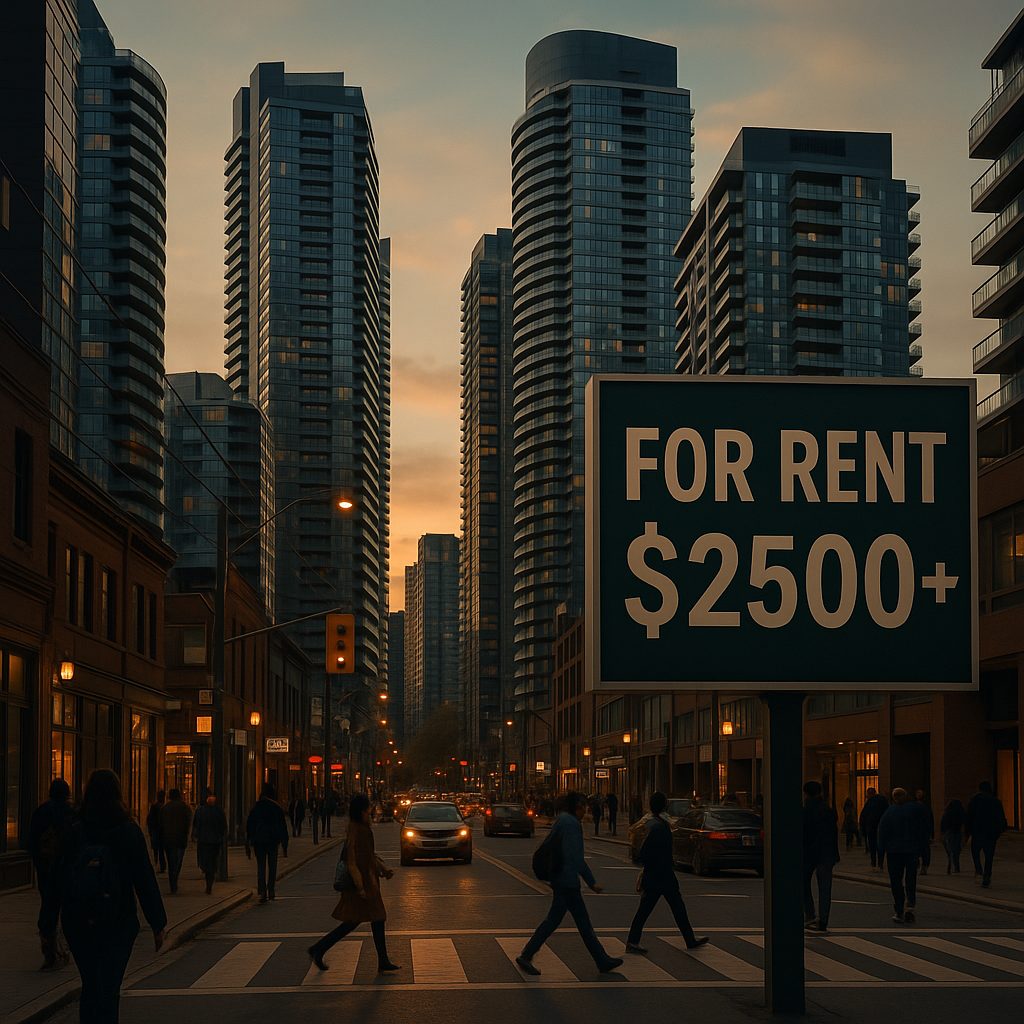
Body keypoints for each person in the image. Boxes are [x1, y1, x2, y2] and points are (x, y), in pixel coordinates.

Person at [50, 769, 166, 1024]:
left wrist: (49, 923)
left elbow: (57, 878)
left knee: (90, 984)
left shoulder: (75, 830)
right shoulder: (128, 831)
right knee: (109, 988)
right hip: (117, 919)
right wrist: (157, 923)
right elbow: (144, 878)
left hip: (78, 919)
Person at [516, 791, 623, 976]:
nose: (585, 810)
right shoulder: (571, 824)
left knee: (575, 921)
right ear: (577, 807)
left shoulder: (563, 820)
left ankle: (601, 959)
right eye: (583, 806)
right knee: (566, 921)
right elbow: (575, 857)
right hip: (566, 881)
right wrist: (591, 882)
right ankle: (527, 954)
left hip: (561, 878)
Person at [307, 793, 399, 973]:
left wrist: (383, 869)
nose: (370, 810)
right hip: (363, 885)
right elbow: (352, 861)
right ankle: (319, 948)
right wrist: (360, 887)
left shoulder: (360, 828)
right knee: (369, 919)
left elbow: (369, 855)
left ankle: (319, 949)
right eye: (368, 807)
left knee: (362, 920)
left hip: (368, 882)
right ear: (362, 810)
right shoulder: (357, 830)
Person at [625, 792, 708, 954]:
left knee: (673, 908)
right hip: (660, 875)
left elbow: (644, 854)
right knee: (655, 909)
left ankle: (689, 939)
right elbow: (646, 853)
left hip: (659, 875)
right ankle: (633, 941)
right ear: (664, 806)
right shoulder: (659, 826)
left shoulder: (655, 824)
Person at [28, 779, 75, 969]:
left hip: (45, 869)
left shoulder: (41, 812)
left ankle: (49, 945)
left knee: (48, 905)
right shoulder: (71, 813)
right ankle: (63, 947)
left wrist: (39, 862)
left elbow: (32, 840)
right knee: (68, 907)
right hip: (66, 869)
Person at [877, 787, 928, 924]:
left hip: (894, 852)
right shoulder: (915, 810)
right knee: (911, 880)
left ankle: (899, 909)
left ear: (894, 798)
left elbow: (882, 833)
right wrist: (923, 854)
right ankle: (910, 906)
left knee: (896, 881)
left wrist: (880, 855)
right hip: (911, 850)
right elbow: (922, 831)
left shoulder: (890, 812)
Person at [802, 781, 840, 933]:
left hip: (808, 853)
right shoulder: (828, 810)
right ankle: (823, 920)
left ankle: (810, 914)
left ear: (806, 793)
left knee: (803, 883)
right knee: (825, 888)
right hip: (826, 852)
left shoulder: (805, 811)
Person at [246, 783, 289, 903]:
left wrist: (249, 841)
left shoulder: (256, 807)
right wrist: (284, 843)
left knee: (261, 867)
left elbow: (250, 825)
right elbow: (282, 826)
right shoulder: (276, 808)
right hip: (272, 840)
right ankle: (271, 890)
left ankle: (262, 891)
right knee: (272, 866)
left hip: (259, 840)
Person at [964, 780, 1008, 889]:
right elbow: (1001, 818)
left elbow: (969, 817)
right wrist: (999, 831)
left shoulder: (974, 801)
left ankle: (979, 870)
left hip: (977, 832)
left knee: (975, 852)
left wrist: (967, 832)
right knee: (989, 857)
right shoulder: (996, 802)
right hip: (991, 833)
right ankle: (987, 876)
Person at [191, 790, 227, 895]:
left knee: (206, 862)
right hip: (214, 841)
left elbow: (196, 825)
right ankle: (209, 882)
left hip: (203, 841)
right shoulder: (219, 811)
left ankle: (208, 877)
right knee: (212, 862)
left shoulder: (200, 811)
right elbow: (223, 826)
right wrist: (220, 836)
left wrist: (195, 835)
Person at [158, 789, 191, 895]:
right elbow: (187, 822)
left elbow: (160, 824)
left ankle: (172, 882)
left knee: (171, 862)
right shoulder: (184, 807)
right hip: (180, 839)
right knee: (178, 861)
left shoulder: (165, 808)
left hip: (168, 839)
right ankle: (174, 879)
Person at [859, 788, 889, 870]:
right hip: (880, 827)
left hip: (871, 827)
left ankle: (873, 863)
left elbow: (863, 815)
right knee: (880, 846)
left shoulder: (869, 802)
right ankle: (880, 863)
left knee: (872, 846)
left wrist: (862, 827)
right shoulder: (883, 800)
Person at [940, 798, 966, 874]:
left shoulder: (947, 813)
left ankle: (951, 863)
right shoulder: (961, 813)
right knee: (956, 850)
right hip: (957, 832)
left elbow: (943, 824)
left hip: (948, 832)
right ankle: (956, 866)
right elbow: (964, 823)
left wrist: (942, 834)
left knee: (950, 850)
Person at [914, 789, 935, 875]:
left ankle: (923, 866)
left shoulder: (924, 807)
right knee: (921, 849)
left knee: (924, 850)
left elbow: (930, 821)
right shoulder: (923, 807)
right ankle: (920, 864)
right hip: (919, 831)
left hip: (923, 832)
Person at [145, 791, 165, 873]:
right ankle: (160, 865)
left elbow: (149, 819)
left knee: (157, 850)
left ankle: (157, 864)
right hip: (159, 831)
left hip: (156, 831)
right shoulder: (162, 807)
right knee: (160, 850)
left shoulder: (156, 806)